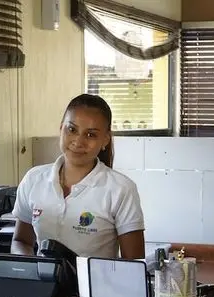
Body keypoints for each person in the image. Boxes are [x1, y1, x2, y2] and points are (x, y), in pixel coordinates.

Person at [11, 94, 145, 260]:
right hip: (43, 277)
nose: (78, 141)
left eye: (90, 135)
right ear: (61, 128)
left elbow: (134, 263)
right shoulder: (33, 179)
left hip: (95, 278)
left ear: (105, 140)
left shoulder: (121, 189)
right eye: (72, 130)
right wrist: (28, 265)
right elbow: (21, 241)